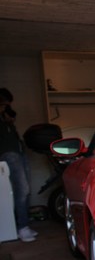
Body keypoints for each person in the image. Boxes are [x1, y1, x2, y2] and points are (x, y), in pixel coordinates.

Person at [0, 88, 37, 242]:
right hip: (9, 153)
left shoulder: (6, 116)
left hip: (19, 151)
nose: (5, 107)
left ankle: (23, 225)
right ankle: (22, 227)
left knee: (26, 189)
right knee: (21, 189)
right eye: (3, 104)